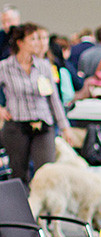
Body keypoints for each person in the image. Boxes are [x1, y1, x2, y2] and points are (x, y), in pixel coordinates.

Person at [0, 23, 71, 182]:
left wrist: (65, 126)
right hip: (17, 126)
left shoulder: (44, 66)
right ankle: (22, 206)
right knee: (18, 174)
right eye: (33, 39)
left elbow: (54, 99)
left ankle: (43, 207)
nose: (38, 43)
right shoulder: (4, 67)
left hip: (43, 124)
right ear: (20, 43)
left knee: (46, 174)